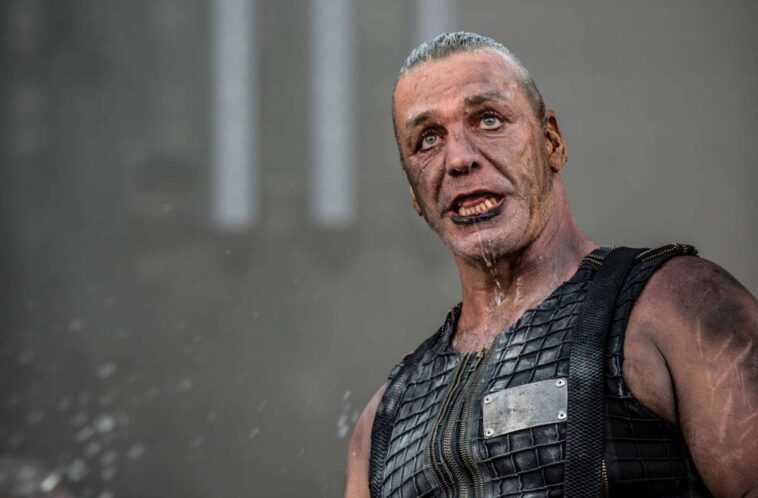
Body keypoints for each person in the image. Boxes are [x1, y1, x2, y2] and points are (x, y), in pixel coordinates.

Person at [344, 32, 758, 498]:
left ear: (552, 142)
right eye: (428, 140)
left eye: (488, 120)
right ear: (415, 195)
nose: (458, 158)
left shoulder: (680, 307)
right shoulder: (381, 425)